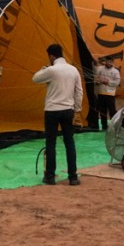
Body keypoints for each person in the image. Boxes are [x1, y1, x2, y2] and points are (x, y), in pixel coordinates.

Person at [32, 43, 84, 185]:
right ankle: (73, 177)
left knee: (51, 143)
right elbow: (79, 92)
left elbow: (35, 78)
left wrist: (44, 68)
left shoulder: (51, 70)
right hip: (68, 110)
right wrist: (77, 109)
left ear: (51, 56)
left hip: (52, 111)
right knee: (69, 143)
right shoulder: (73, 70)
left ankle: (50, 176)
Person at [93, 57, 120, 128]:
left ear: (113, 62)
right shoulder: (99, 69)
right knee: (102, 111)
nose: (109, 63)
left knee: (112, 111)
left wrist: (108, 82)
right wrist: (97, 82)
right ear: (105, 61)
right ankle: (104, 125)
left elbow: (117, 82)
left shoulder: (115, 71)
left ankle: (114, 125)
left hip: (110, 94)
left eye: (110, 61)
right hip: (101, 93)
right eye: (107, 61)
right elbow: (95, 78)